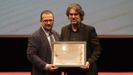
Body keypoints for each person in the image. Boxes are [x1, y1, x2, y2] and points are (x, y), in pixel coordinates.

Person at [60, 3, 102, 75]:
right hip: (71, 71)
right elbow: (61, 49)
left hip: (87, 71)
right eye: (71, 14)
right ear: (68, 16)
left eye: (76, 14)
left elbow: (97, 49)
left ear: (80, 15)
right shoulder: (64, 30)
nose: (73, 17)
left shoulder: (89, 30)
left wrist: (89, 62)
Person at [27, 10, 61, 75]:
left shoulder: (57, 35)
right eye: (46, 20)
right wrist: (46, 66)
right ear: (41, 21)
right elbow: (31, 55)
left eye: (51, 20)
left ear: (53, 21)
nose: (48, 23)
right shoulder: (35, 36)